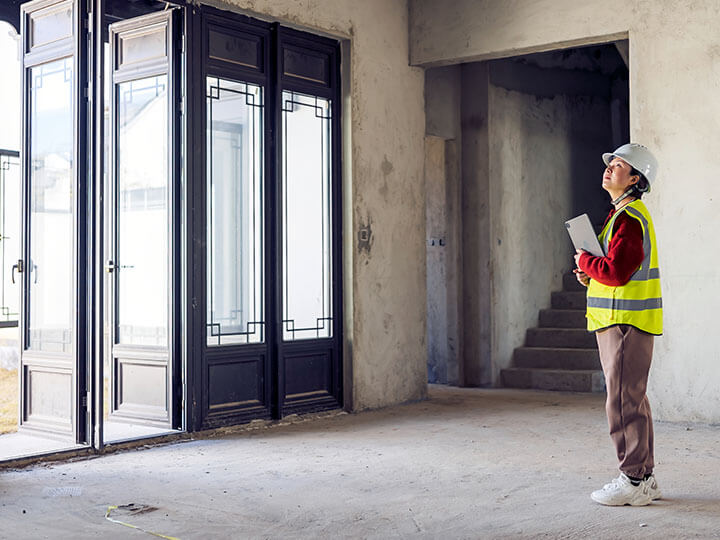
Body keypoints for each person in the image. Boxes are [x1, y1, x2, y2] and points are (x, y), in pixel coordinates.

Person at [573, 143, 663, 506]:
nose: (610, 168)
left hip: (624, 323)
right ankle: (645, 479)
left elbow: (618, 270)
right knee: (631, 399)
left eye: (619, 165)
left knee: (623, 402)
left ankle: (633, 479)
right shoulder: (622, 214)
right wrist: (590, 274)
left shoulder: (628, 218)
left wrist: (586, 260)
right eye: (610, 163)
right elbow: (613, 272)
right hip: (621, 320)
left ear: (635, 179)